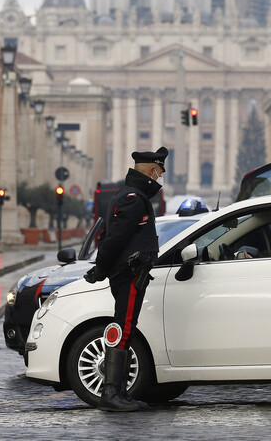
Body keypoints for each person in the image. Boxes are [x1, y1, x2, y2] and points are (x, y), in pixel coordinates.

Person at [83, 146, 168, 412]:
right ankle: (111, 393)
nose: (160, 179)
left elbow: (112, 235)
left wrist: (102, 267)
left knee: (126, 328)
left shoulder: (132, 195)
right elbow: (115, 238)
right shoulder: (133, 197)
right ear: (152, 171)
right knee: (124, 327)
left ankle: (118, 391)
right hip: (129, 273)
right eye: (160, 173)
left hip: (130, 273)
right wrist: (100, 268)